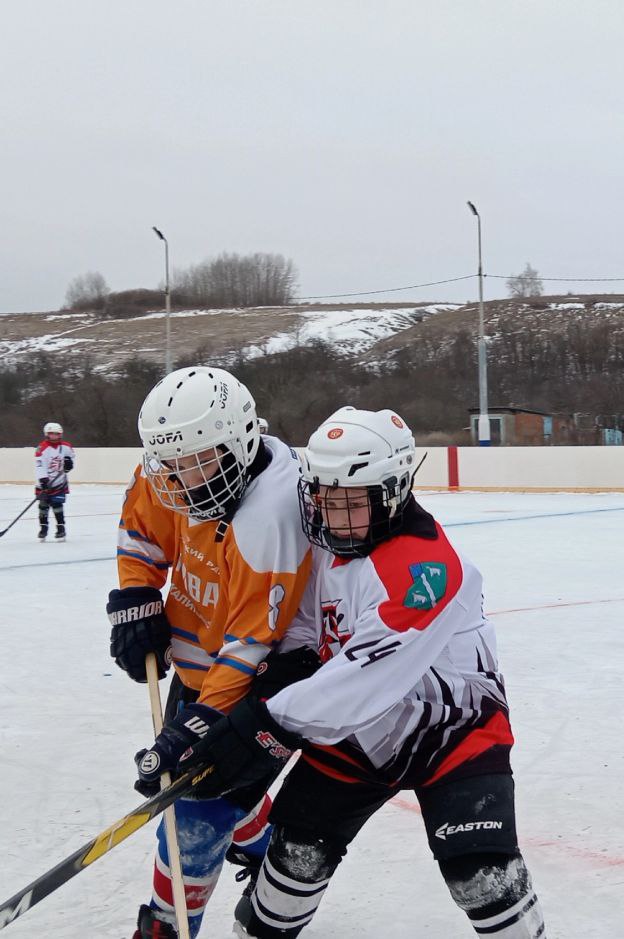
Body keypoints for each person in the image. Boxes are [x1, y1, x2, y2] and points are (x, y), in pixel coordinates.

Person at [182, 407, 547, 939]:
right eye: (324, 499)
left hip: (453, 733)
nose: (334, 516)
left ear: (395, 491)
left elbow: (361, 682)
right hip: (354, 740)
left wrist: (261, 727)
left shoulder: (428, 569)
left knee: (481, 877)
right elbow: (304, 636)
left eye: (353, 502)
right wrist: (253, 698)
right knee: (294, 859)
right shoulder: (326, 548)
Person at [107, 366, 314, 938]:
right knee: (218, 790)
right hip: (201, 668)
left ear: (238, 442)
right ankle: (263, 840)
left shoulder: (272, 515)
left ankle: (166, 926)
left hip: (265, 681)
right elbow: (142, 532)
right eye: (167, 464)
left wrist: (199, 725)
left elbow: (252, 644)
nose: (175, 478)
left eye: (193, 461)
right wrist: (136, 599)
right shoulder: (174, 464)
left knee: (194, 810)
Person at [34, 421, 75, 541]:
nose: (54, 437)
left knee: (57, 505)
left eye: (57, 434)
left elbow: (71, 458)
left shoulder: (66, 446)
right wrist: (43, 481)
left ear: (60, 435)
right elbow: (39, 466)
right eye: (52, 434)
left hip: (59, 482)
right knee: (43, 506)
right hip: (44, 483)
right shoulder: (42, 448)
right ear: (47, 434)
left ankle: (61, 528)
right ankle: (43, 528)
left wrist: (69, 464)